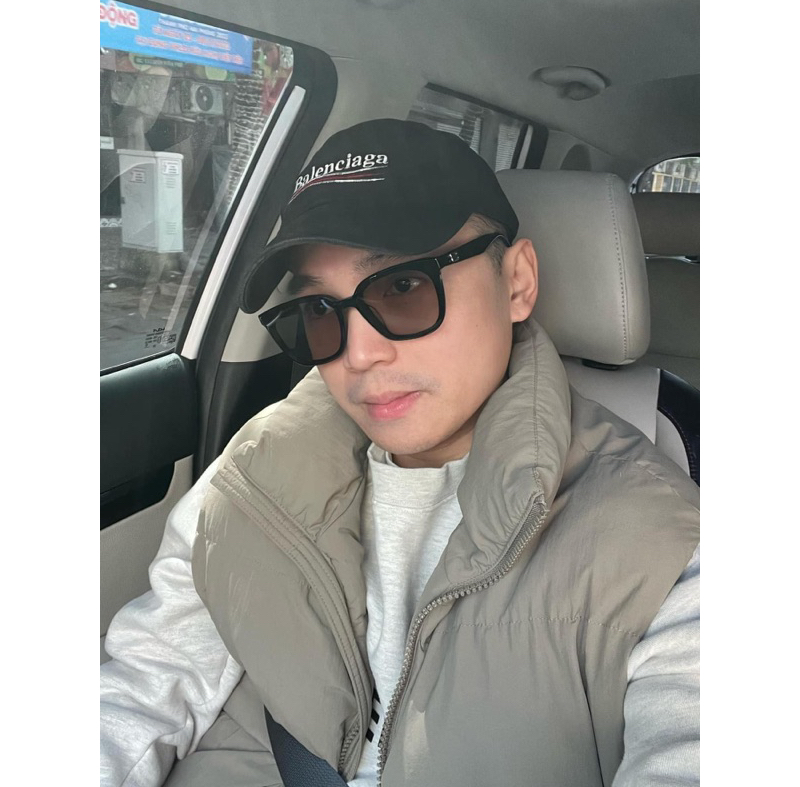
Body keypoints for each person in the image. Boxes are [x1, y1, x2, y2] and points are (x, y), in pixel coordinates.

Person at [101, 119, 699, 787]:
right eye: (320, 310)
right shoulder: (253, 476)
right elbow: (142, 690)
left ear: (517, 282)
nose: (358, 354)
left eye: (404, 288)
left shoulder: (662, 542)